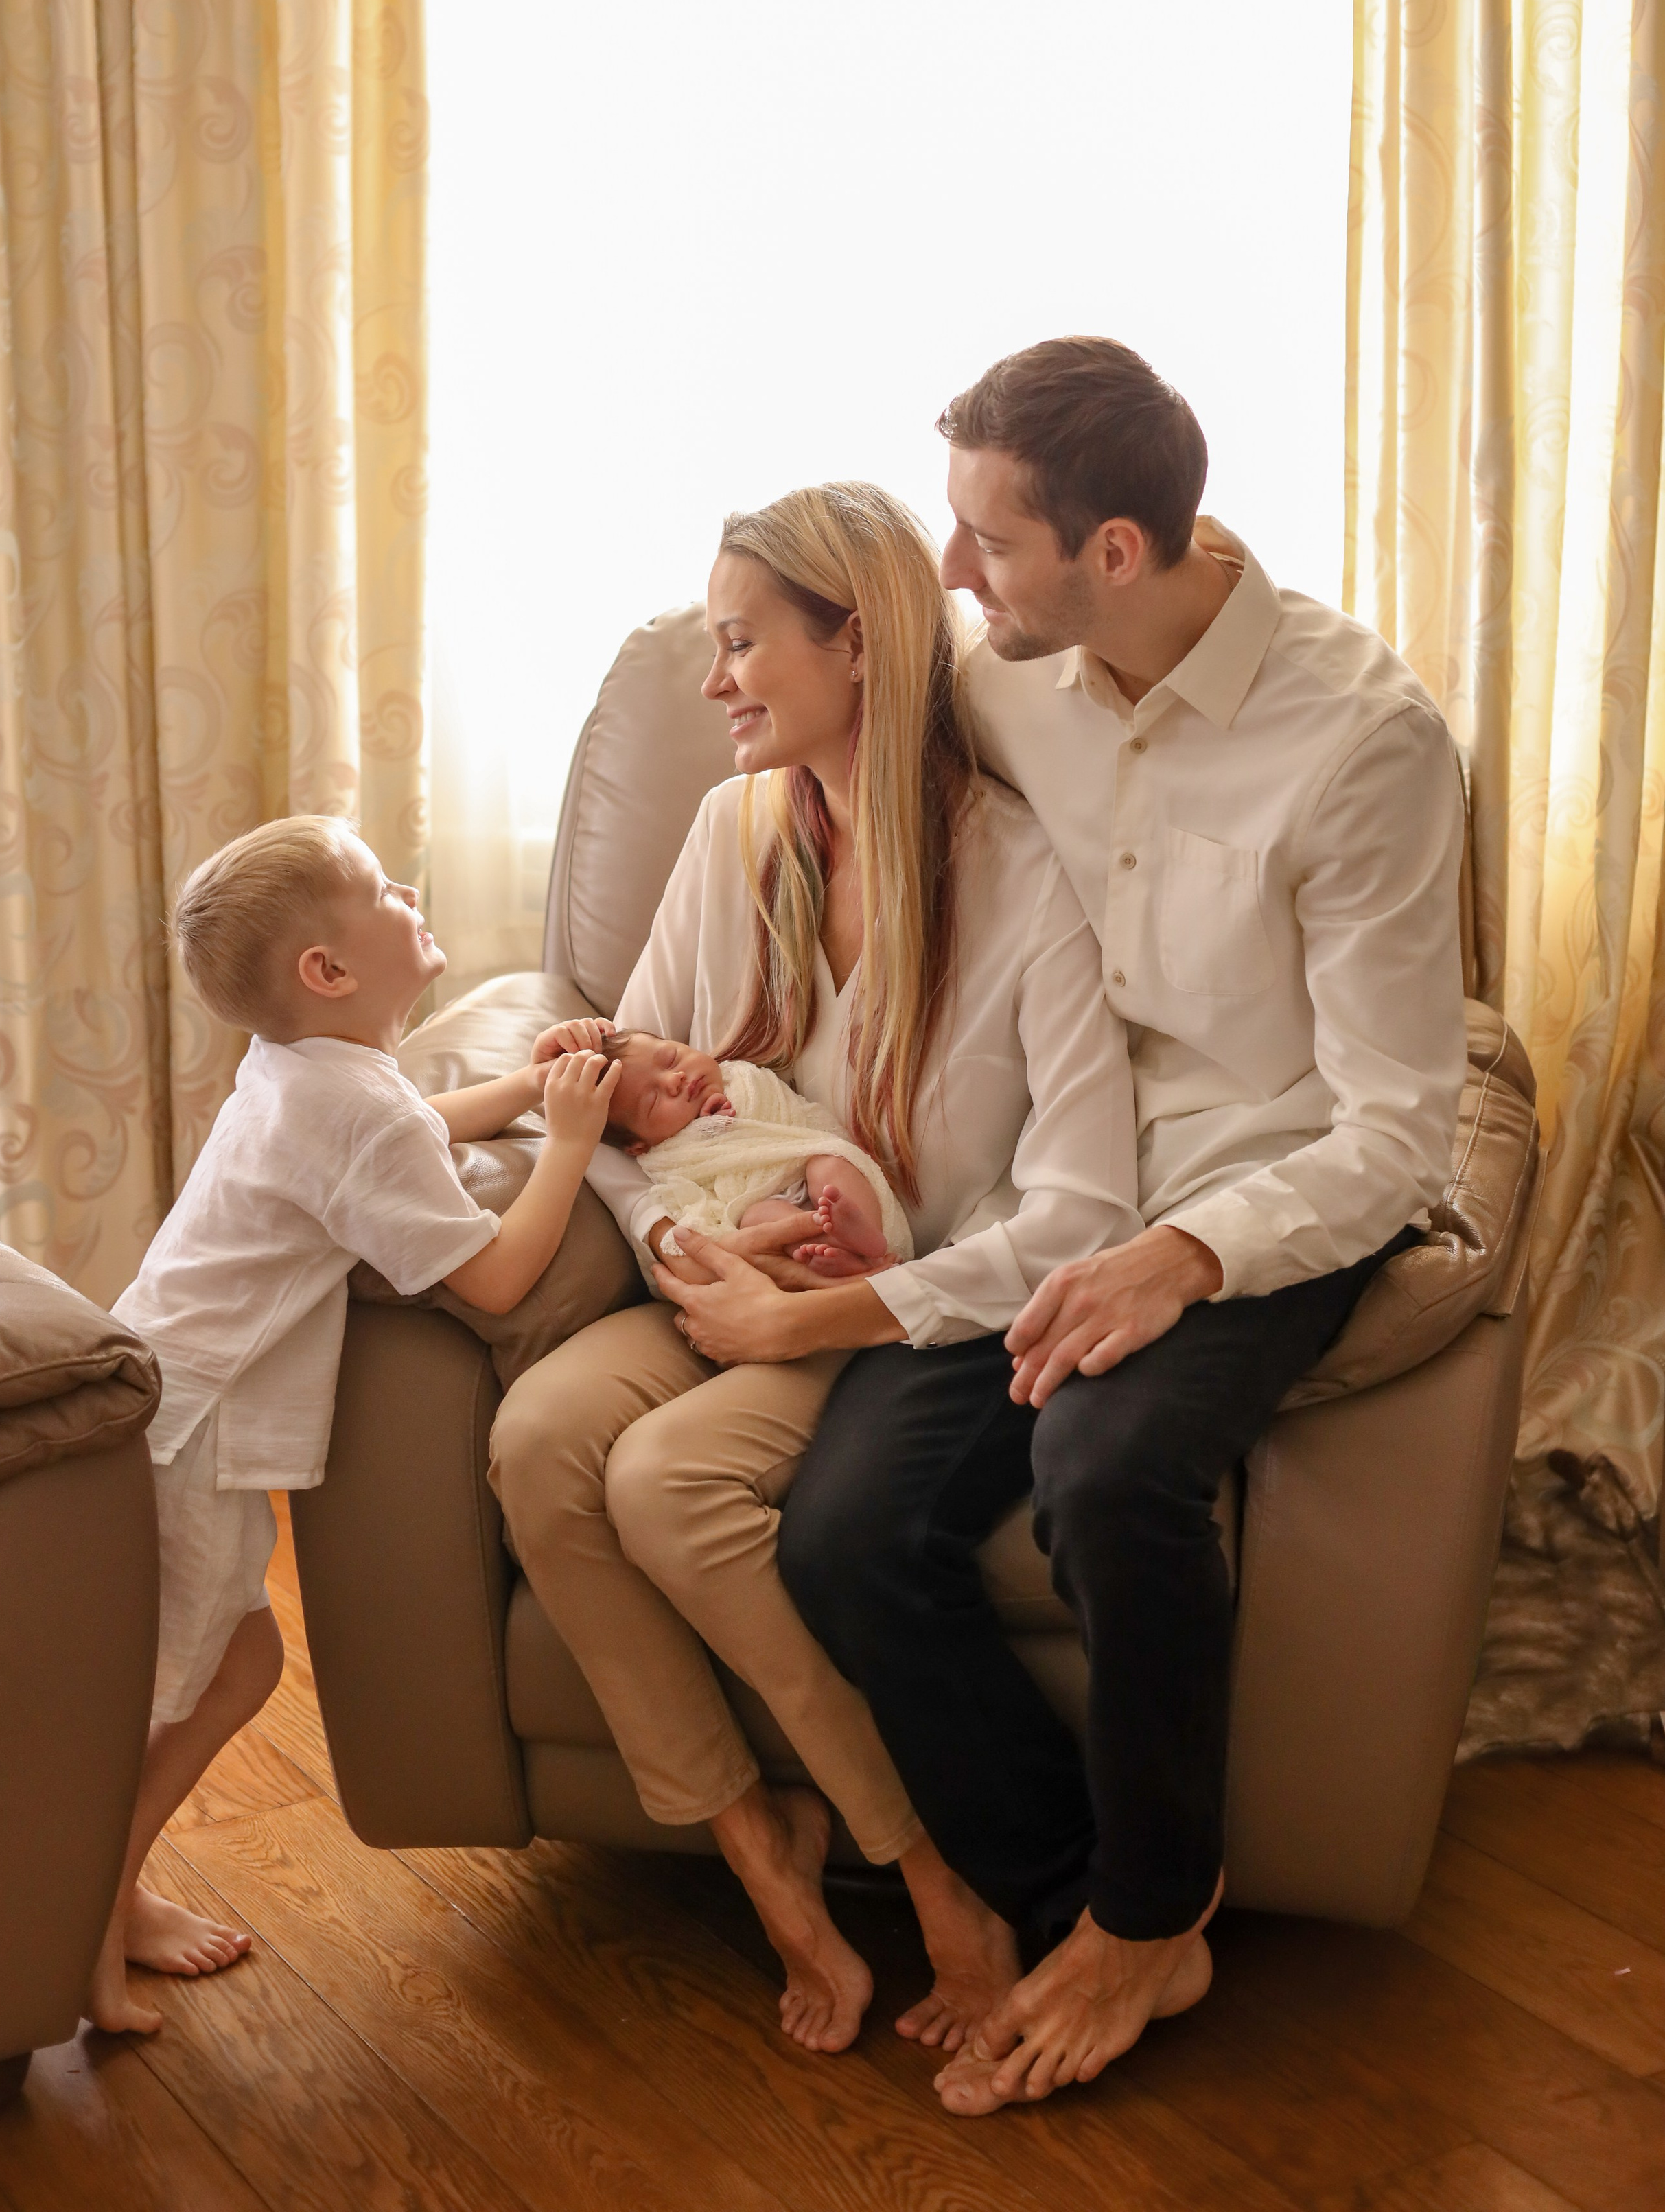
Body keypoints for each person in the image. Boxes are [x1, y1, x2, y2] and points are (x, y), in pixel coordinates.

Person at [760, 336, 1468, 2112]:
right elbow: (816, 704)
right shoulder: (1008, 676)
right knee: (844, 1532)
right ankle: (1090, 1902)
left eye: (986, 540)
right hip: (1052, 1191)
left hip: (1262, 1198)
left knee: (1103, 1471)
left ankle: (1150, 1912)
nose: (951, 573)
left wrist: (1191, 1254)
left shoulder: (1362, 743)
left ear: (1120, 552)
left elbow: (1400, 1128)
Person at [491, 481, 1140, 2058]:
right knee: (535, 1439)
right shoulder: (735, 833)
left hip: (901, 1310)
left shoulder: (1018, 874)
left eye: (741, 642)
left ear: (855, 643)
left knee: (662, 1482)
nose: (715, 679)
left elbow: (1082, 1206)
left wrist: (828, 1296)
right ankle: (758, 1844)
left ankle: (931, 1876)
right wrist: (678, 1242)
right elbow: (629, 1093)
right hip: (723, 1273)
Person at [89, 815, 619, 2036]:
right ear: (326, 971)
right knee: (163, 1696)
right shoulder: (350, 1108)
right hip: (192, 1438)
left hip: (171, 1404)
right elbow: (497, 1281)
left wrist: (529, 1089)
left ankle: (104, 1896)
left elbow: (410, 1126)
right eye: (383, 889)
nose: (410, 890)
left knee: (238, 1669)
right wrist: (569, 1144)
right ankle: (87, 1922)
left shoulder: (309, 1070)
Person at [593, 1024, 912, 1276]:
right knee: (759, 1217)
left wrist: (735, 1115)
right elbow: (693, 1183)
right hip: (763, 1200)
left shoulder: (742, 1078)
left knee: (830, 1164)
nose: (674, 1079)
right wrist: (709, 1129)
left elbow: (788, 1117)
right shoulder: (665, 1155)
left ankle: (866, 1234)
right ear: (638, 1145)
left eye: (671, 1059)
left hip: (801, 1165)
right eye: (653, 1100)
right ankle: (836, 1250)